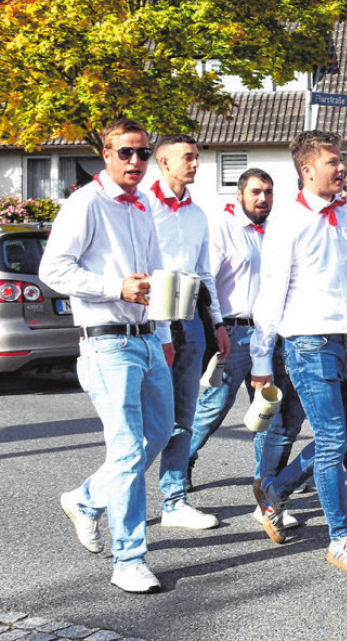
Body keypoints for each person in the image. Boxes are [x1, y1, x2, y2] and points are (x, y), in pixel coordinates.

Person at [248, 129, 347, 571]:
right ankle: (340, 538)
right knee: (334, 440)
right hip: (307, 343)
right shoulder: (287, 221)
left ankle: (274, 494)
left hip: (344, 341)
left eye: (342, 160)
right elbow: (270, 293)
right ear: (307, 169)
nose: (342, 167)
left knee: (346, 437)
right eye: (333, 161)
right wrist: (261, 360)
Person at [42, 118, 175, 593]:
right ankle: (129, 558)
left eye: (143, 153)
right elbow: (53, 269)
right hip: (105, 341)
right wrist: (111, 286)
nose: (136, 161)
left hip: (144, 337)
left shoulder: (143, 207)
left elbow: (154, 275)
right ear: (106, 154)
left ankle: (85, 499)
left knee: (158, 433)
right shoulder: (85, 203)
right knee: (125, 451)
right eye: (126, 153)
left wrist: (160, 333)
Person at [181, 168, 304, 527]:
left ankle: (263, 488)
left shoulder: (276, 231)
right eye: (255, 192)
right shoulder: (223, 228)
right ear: (239, 195)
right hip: (233, 333)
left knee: (268, 415)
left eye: (268, 191)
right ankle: (184, 459)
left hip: (270, 335)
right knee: (213, 408)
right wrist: (215, 327)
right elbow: (208, 281)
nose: (263, 198)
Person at [146, 134, 230, 531]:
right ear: (163, 163)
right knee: (153, 420)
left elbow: (206, 270)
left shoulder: (198, 214)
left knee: (185, 412)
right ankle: (99, 493)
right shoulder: (144, 208)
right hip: (150, 318)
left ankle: (174, 498)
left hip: (190, 315)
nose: (195, 164)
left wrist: (217, 321)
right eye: (188, 158)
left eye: (196, 157)